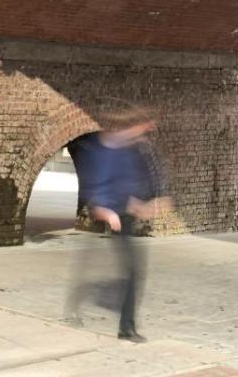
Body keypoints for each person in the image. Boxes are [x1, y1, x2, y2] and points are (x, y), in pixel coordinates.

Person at [65, 109, 169, 343]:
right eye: (139, 127)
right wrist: (107, 212)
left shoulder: (127, 151)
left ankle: (119, 320)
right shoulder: (103, 151)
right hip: (115, 217)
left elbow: (128, 184)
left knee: (130, 271)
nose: (143, 133)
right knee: (130, 271)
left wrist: (139, 204)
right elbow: (96, 190)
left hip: (124, 215)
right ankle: (125, 328)